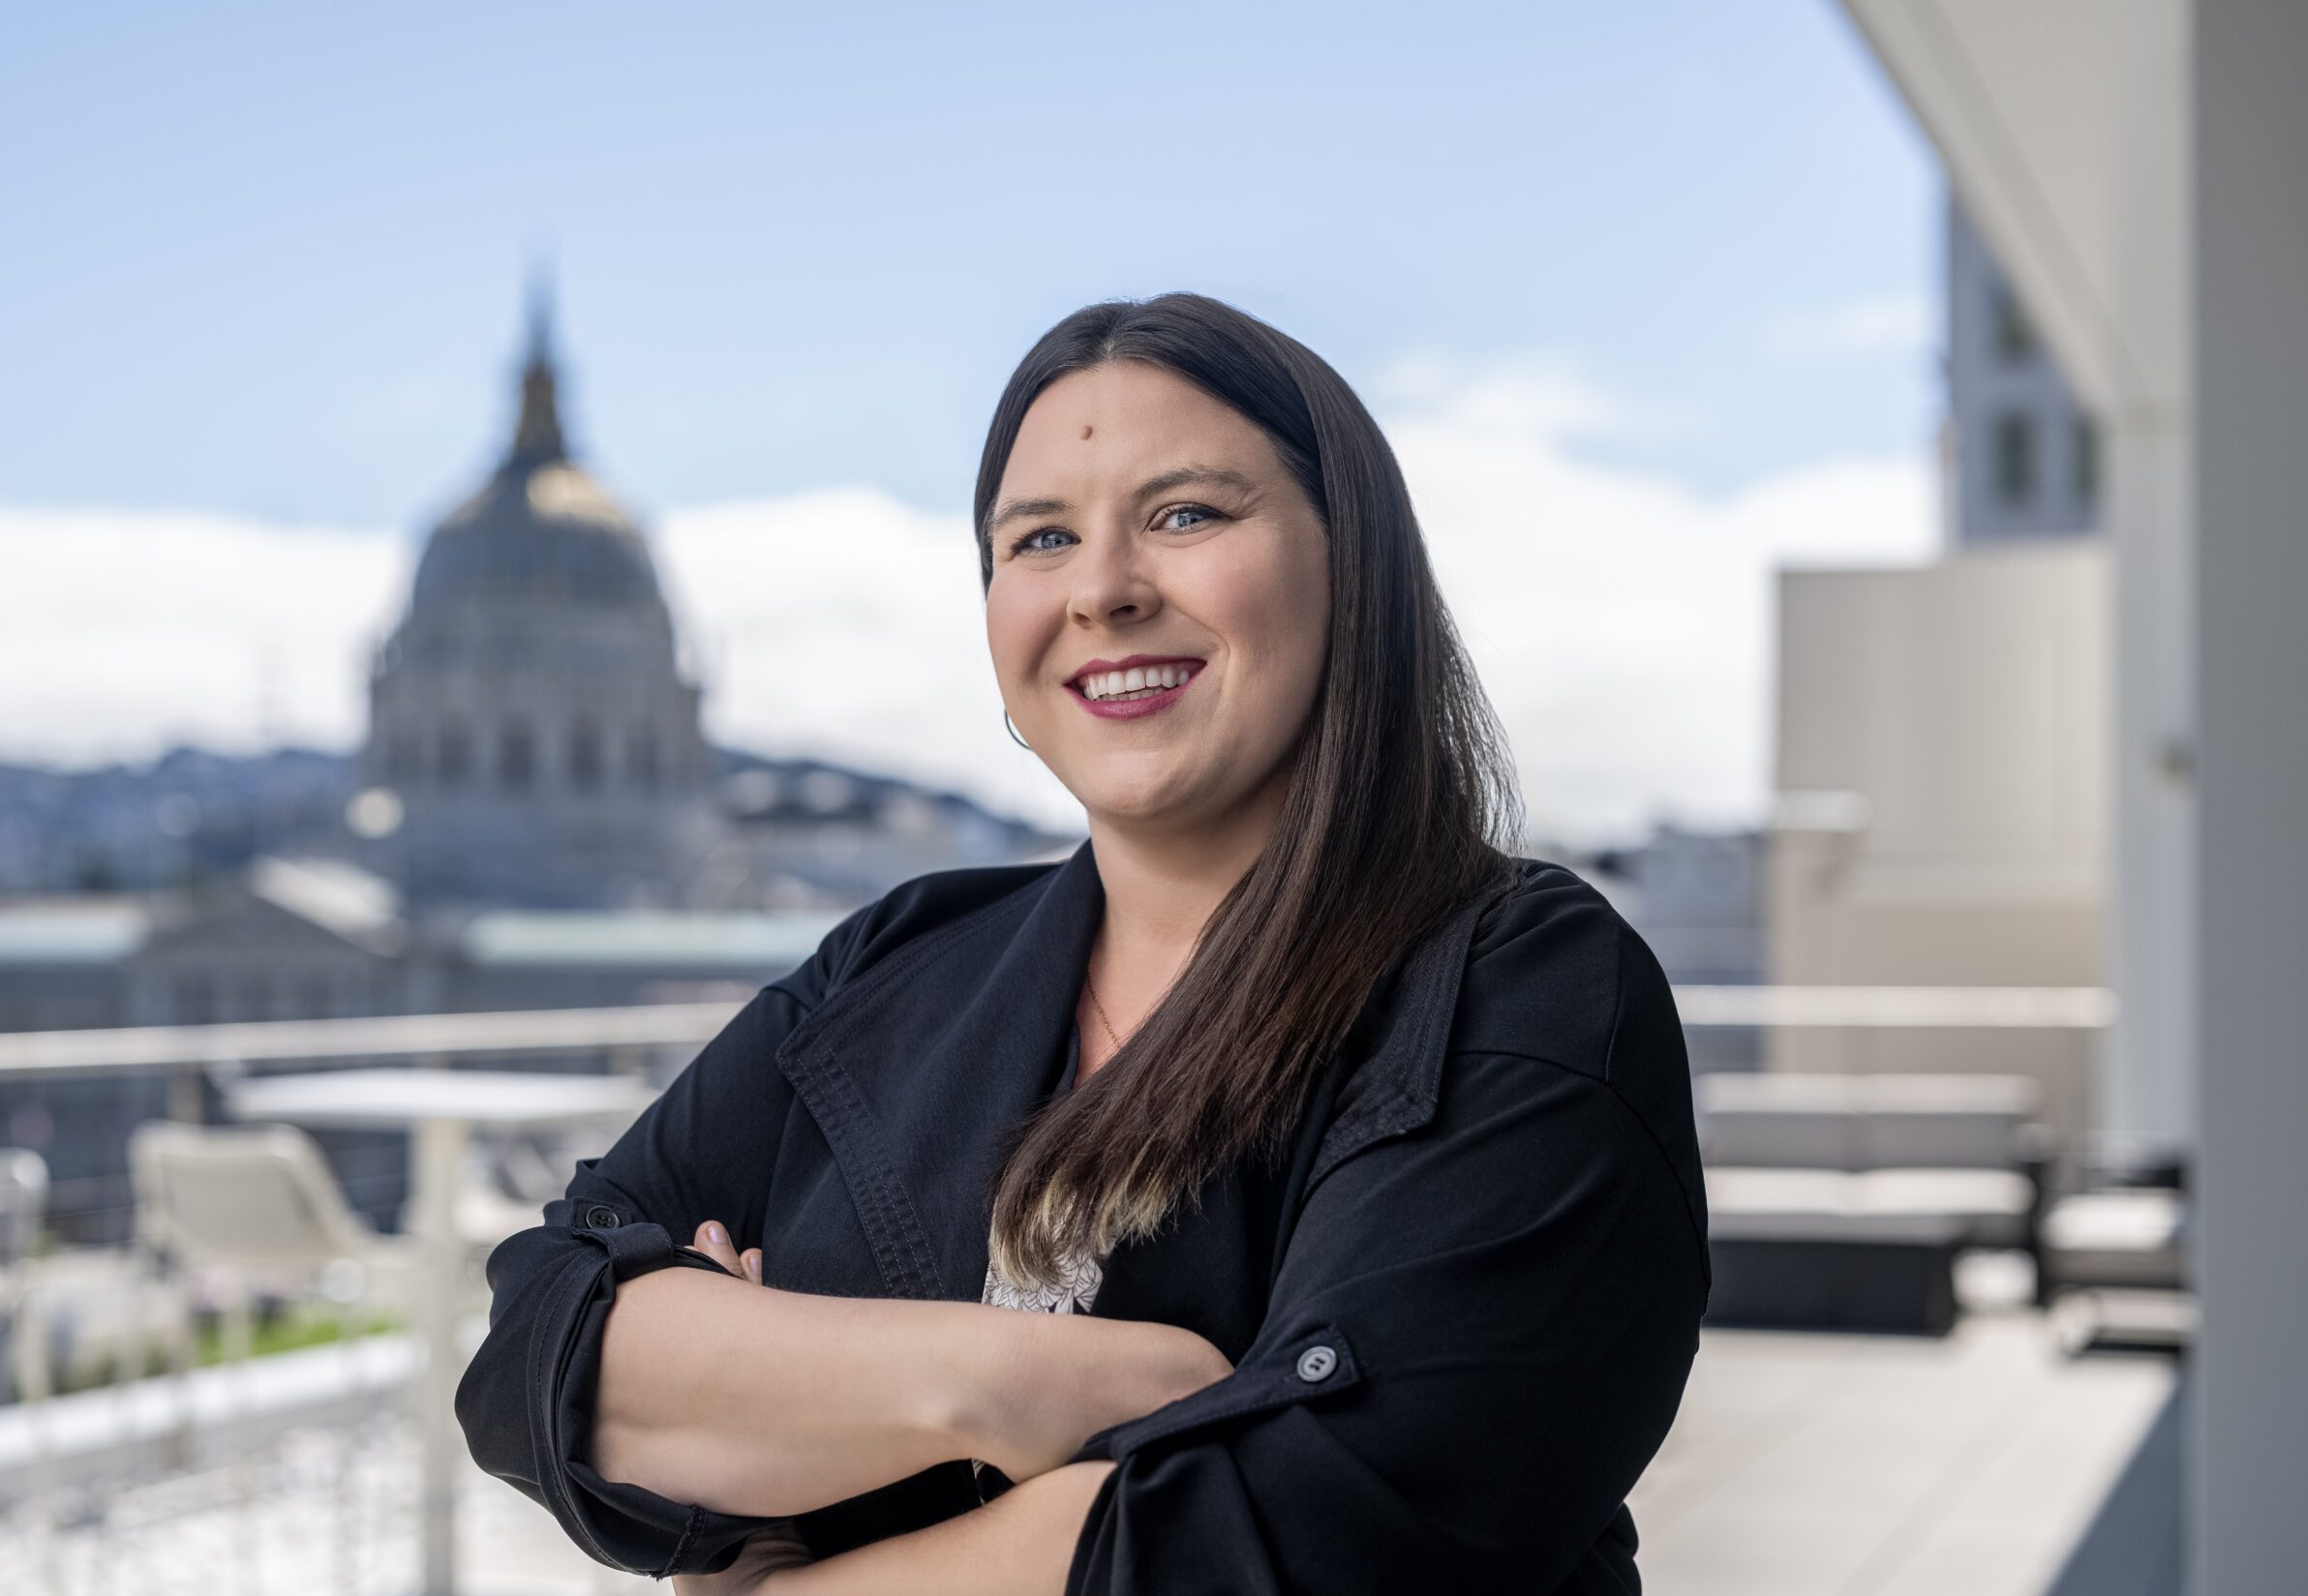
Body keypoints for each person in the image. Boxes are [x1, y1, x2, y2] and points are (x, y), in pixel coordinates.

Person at [454, 291, 1710, 1595]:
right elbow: (535, 1344)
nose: (1103, 591)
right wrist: (1006, 1382)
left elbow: (1319, 1535)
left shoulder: (1531, 988)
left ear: (1359, 565)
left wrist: (781, 1471)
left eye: (1186, 515)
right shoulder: (897, 960)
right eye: (1041, 536)